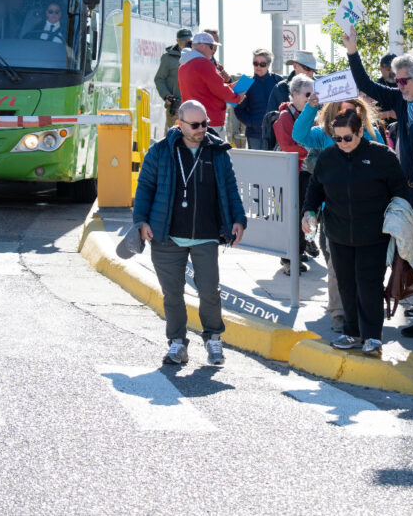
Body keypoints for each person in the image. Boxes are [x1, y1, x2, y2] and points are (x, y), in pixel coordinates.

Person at [342, 28, 413, 341]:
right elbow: (365, 85)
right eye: (397, 79)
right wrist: (352, 51)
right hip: (408, 188)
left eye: (404, 80)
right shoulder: (403, 100)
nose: (398, 85)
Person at [132, 100, 246, 366]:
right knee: (172, 294)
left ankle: (214, 340)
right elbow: (145, 188)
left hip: (206, 234)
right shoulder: (160, 151)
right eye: (194, 125)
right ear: (179, 124)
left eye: (205, 123)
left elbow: (230, 188)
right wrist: (141, 221)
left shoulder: (217, 152)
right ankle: (177, 344)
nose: (201, 129)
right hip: (166, 234)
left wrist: (239, 220)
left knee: (209, 291)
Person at [302, 109, 409, 357]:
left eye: (347, 138)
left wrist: (397, 223)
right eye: (337, 138)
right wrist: (309, 212)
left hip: (373, 235)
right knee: (346, 285)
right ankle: (351, 331)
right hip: (338, 234)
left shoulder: (381, 156)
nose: (342, 144)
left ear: (360, 132)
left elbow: (400, 192)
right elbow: (315, 190)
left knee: (369, 285)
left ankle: (372, 336)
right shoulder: (328, 157)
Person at [292, 94, 384, 332]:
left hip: (367, 216)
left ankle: (360, 315)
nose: (347, 116)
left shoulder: (372, 135)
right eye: (341, 112)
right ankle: (340, 314)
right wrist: (312, 106)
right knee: (336, 266)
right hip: (334, 214)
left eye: (352, 111)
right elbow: (299, 135)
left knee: (364, 271)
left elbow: (387, 170)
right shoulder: (326, 136)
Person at [273, 76, 314, 274]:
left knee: (303, 214)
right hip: (293, 173)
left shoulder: (307, 114)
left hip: (305, 172)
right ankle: (289, 259)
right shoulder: (285, 117)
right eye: (308, 94)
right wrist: (312, 151)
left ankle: (297, 252)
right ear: (295, 94)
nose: (311, 97)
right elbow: (287, 146)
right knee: (293, 215)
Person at [179, 32, 244, 137]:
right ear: (202, 46)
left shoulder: (183, 65)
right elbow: (219, 88)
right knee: (219, 152)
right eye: (212, 46)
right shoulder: (203, 63)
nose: (214, 50)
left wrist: (230, 88)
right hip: (210, 121)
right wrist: (237, 98)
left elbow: (207, 89)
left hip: (190, 121)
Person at [233, 48, 282, 150]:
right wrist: (250, 123)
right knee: (255, 164)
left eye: (262, 64)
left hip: (275, 133)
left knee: (275, 164)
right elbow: (237, 109)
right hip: (254, 134)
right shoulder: (244, 82)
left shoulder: (279, 81)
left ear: (268, 65)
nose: (258, 66)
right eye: (255, 63)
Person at [154, 28, 191, 125]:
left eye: (189, 40)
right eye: (184, 40)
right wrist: (166, 95)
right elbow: (159, 79)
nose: (187, 42)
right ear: (177, 41)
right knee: (173, 138)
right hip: (176, 107)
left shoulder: (198, 56)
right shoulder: (168, 57)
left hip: (194, 107)